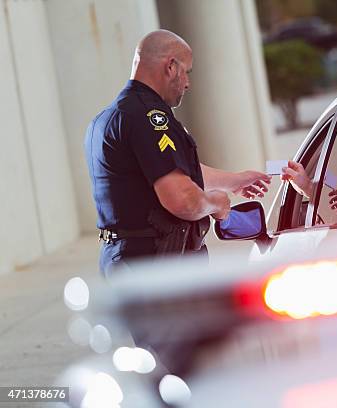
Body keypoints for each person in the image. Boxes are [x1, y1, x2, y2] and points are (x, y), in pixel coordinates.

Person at [84, 30, 271, 277]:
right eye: (187, 72)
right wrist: (218, 204)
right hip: (154, 267)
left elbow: (169, 168)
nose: (187, 83)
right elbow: (184, 200)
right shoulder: (149, 118)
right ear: (171, 66)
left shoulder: (113, 116)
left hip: (129, 262)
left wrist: (233, 181)